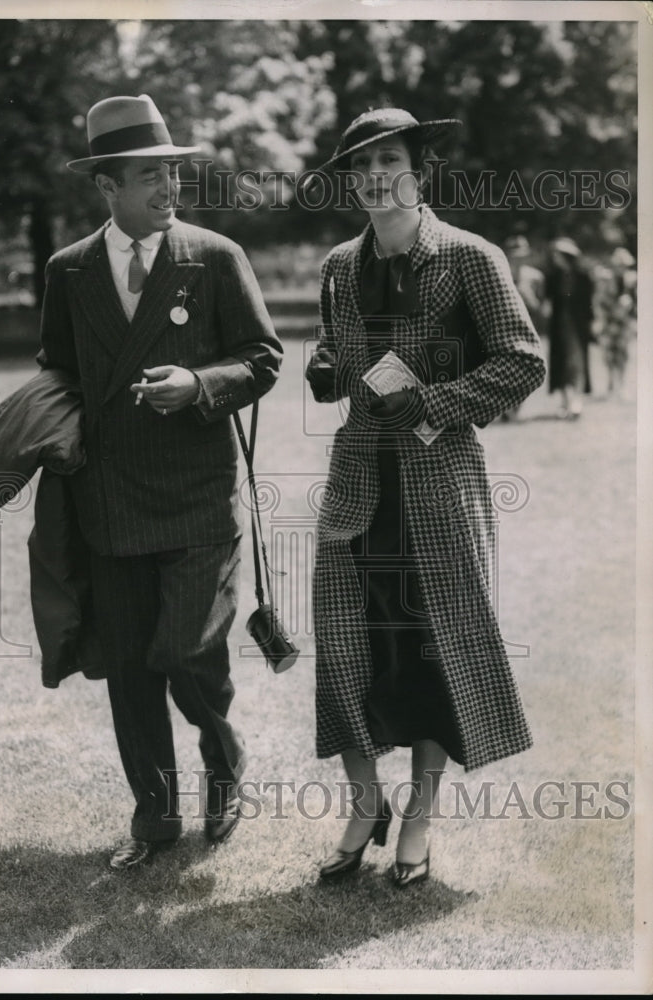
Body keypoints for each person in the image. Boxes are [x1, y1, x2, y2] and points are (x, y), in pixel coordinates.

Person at [37, 94, 283, 869]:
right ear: (106, 187)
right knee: (128, 665)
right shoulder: (69, 271)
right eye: (148, 176)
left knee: (185, 651)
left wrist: (201, 383)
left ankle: (224, 757)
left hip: (196, 498)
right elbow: (58, 373)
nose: (167, 188)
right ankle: (152, 816)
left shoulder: (213, 257)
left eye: (171, 173)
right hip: (107, 501)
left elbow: (264, 359)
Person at [305, 107, 545, 887]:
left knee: (432, 651)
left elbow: (522, 361)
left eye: (391, 162)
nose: (376, 178)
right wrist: (325, 368)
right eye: (361, 166)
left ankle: (419, 813)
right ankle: (364, 798)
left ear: (420, 171)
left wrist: (436, 402)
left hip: (438, 488)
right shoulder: (340, 264)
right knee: (349, 644)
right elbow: (338, 355)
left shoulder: (470, 257)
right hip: (357, 486)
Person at [543, 237, 595, 419]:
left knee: (578, 364)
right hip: (559, 326)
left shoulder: (583, 277)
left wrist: (592, 324)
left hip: (578, 326)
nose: (554, 257)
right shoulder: (553, 277)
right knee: (561, 364)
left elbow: (589, 303)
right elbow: (548, 303)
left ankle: (577, 401)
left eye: (557, 254)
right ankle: (565, 402)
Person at [500, 234, 546, 421]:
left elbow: (540, 308)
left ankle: (516, 406)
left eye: (522, 254)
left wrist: (529, 298)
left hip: (528, 330)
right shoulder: (498, 273)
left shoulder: (536, 277)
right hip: (503, 329)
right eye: (514, 254)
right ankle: (506, 407)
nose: (518, 258)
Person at [594, 246, 636, 398]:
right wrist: (607, 315)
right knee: (608, 353)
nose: (622, 268)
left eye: (624, 265)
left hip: (625, 322)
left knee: (623, 353)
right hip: (609, 321)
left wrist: (630, 305)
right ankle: (611, 382)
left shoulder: (631, 280)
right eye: (619, 264)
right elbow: (599, 302)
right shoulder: (606, 280)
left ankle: (622, 383)